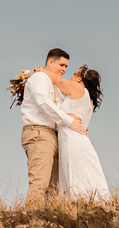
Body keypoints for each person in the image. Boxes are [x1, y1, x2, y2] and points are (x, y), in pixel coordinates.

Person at [19, 48, 87, 205]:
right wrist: (70, 122)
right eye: (61, 65)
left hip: (54, 136)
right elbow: (43, 103)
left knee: (54, 186)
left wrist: (79, 127)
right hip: (39, 132)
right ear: (50, 62)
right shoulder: (40, 77)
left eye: (66, 67)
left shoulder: (55, 85)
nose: (64, 69)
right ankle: (32, 219)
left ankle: (50, 224)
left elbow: (64, 112)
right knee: (40, 181)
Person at [45, 64, 110, 201]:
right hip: (81, 140)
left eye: (74, 74)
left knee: (73, 172)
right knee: (86, 171)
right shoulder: (89, 99)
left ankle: (78, 201)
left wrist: (37, 70)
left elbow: (55, 79)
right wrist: (67, 114)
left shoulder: (78, 88)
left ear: (80, 79)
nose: (71, 76)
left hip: (71, 138)